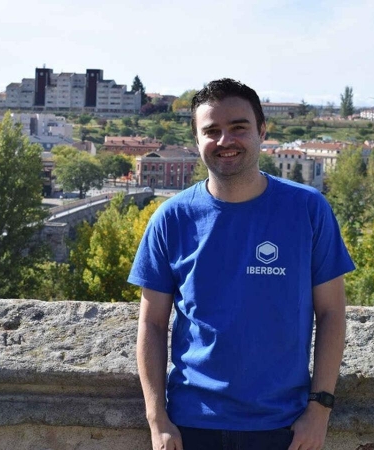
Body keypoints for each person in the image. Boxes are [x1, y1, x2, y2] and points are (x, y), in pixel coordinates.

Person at [129, 78, 354, 450]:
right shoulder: (171, 218)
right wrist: (158, 419)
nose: (225, 141)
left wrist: (319, 411)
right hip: (191, 424)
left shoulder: (308, 209)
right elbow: (151, 324)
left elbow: (331, 313)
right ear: (196, 140)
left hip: (282, 426)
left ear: (262, 131)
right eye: (211, 131)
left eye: (238, 128)